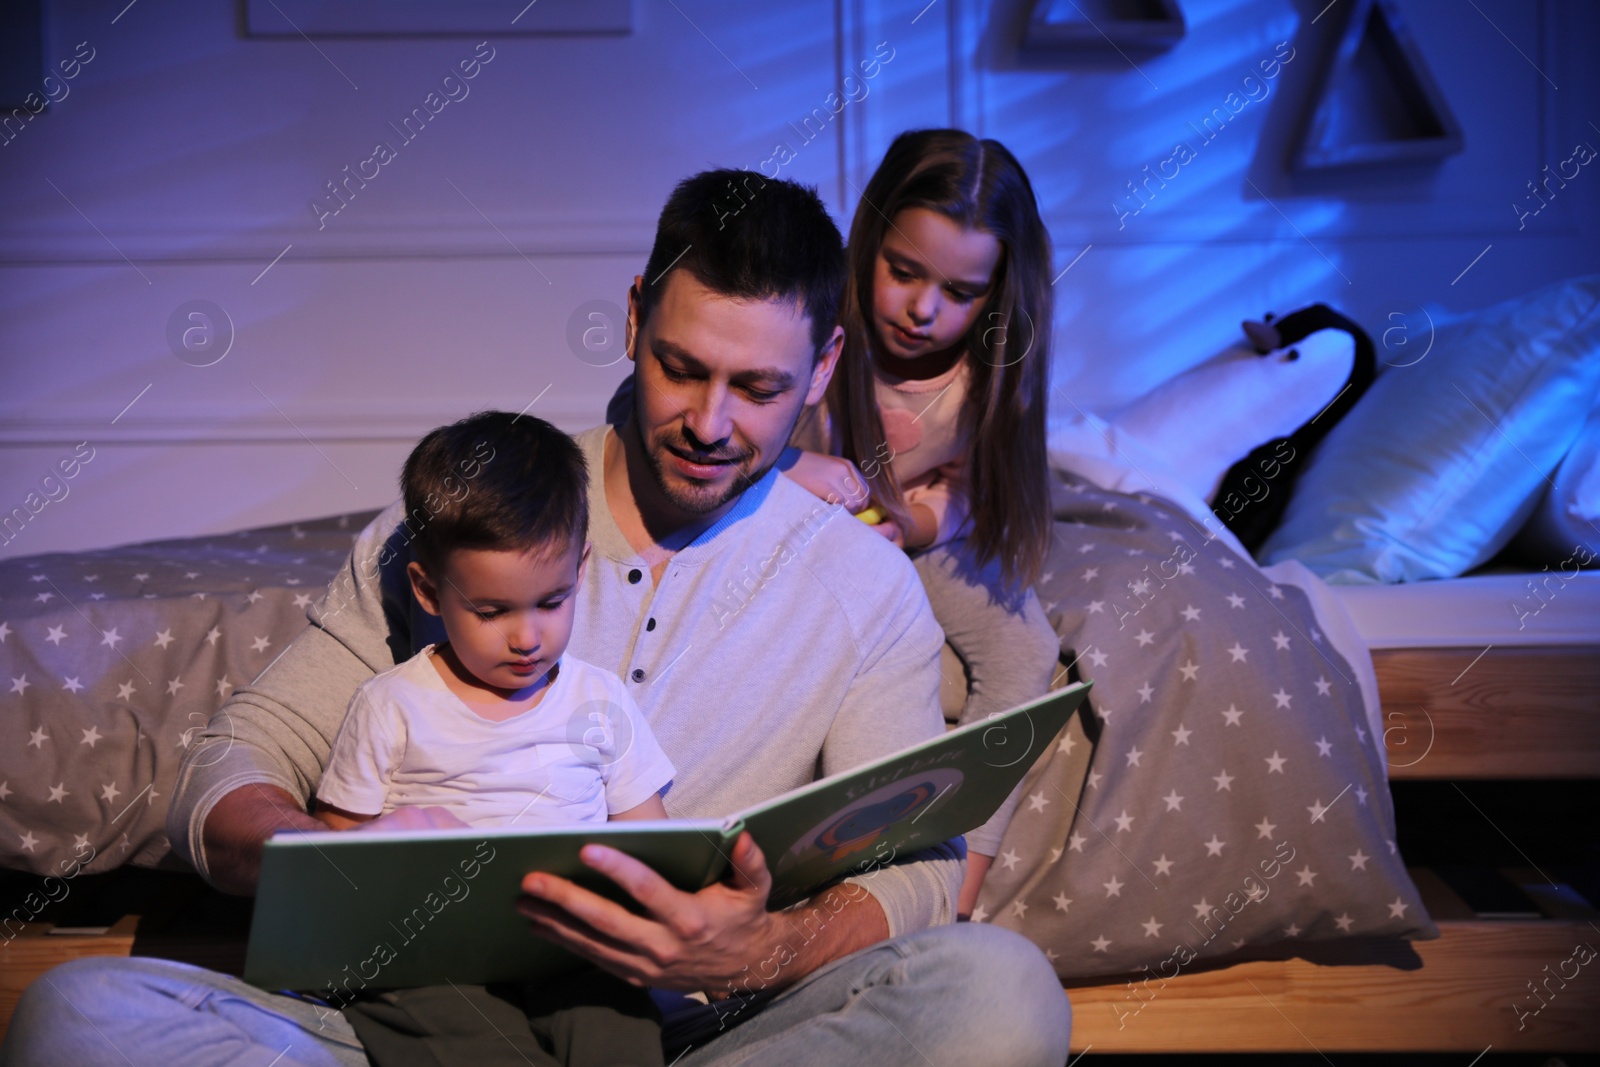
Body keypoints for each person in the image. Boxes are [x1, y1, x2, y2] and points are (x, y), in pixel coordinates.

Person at [1, 171, 1070, 1067]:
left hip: (698, 1032)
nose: (708, 422)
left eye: (757, 387)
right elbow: (230, 764)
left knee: (999, 994)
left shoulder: (861, 582)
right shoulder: (474, 510)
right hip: (407, 1021)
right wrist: (328, 847)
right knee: (76, 1017)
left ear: (824, 367)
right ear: (634, 314)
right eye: (681, 366)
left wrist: (753, 950)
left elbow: (921, 863)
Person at [310, 411, 674, 1066]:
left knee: (621, 1028)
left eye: (551, 601)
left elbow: (651, 840)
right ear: (428, 589)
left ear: (580, 570)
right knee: (448, 1025)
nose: (527, 636)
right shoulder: (393, 704)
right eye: (492, 611)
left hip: (571, 950)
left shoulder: (597, 699)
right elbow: (332, 853)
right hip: (430, 956)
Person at [780, 129, 1061, 917]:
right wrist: (798, 471)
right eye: (902, 271)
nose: (923, 307)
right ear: (870, 240)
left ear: (998, 292)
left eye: (961, 292)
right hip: (796, 523)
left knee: (1026, 645)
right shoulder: (817, 321)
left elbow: (976, 488)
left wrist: (920, 525)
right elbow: (734, 428)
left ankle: (959, 890)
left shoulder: (992, 374)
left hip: (907, 531)